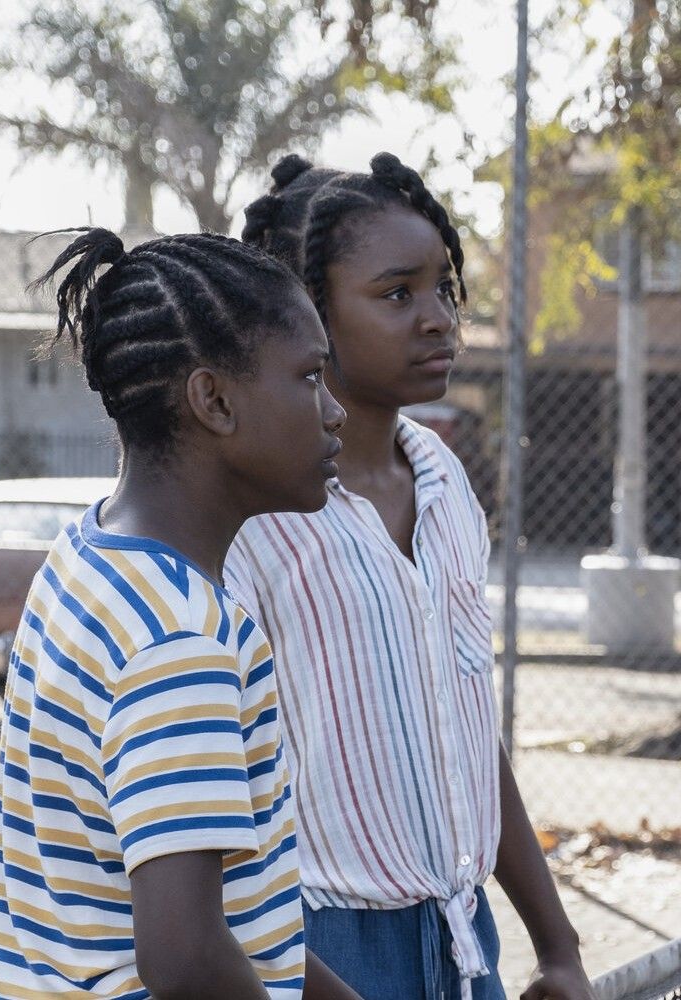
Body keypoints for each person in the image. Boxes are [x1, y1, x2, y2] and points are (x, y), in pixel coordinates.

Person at [227, 153, 591, 1000]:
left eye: (443, 290)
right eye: (397, 294)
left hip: (462, 937)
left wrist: (558, 944)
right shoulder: (257, 513)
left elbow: (462, 730)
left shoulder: (443, 479)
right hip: (315, 944)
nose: (437, 319)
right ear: (307, 314)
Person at [0, 227, 360, 1000]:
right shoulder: (181, 638)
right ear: (213, 401)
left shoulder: (85, 560)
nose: (334, 412)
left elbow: (250, 934)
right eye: (310, 377)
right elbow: (187, 960)